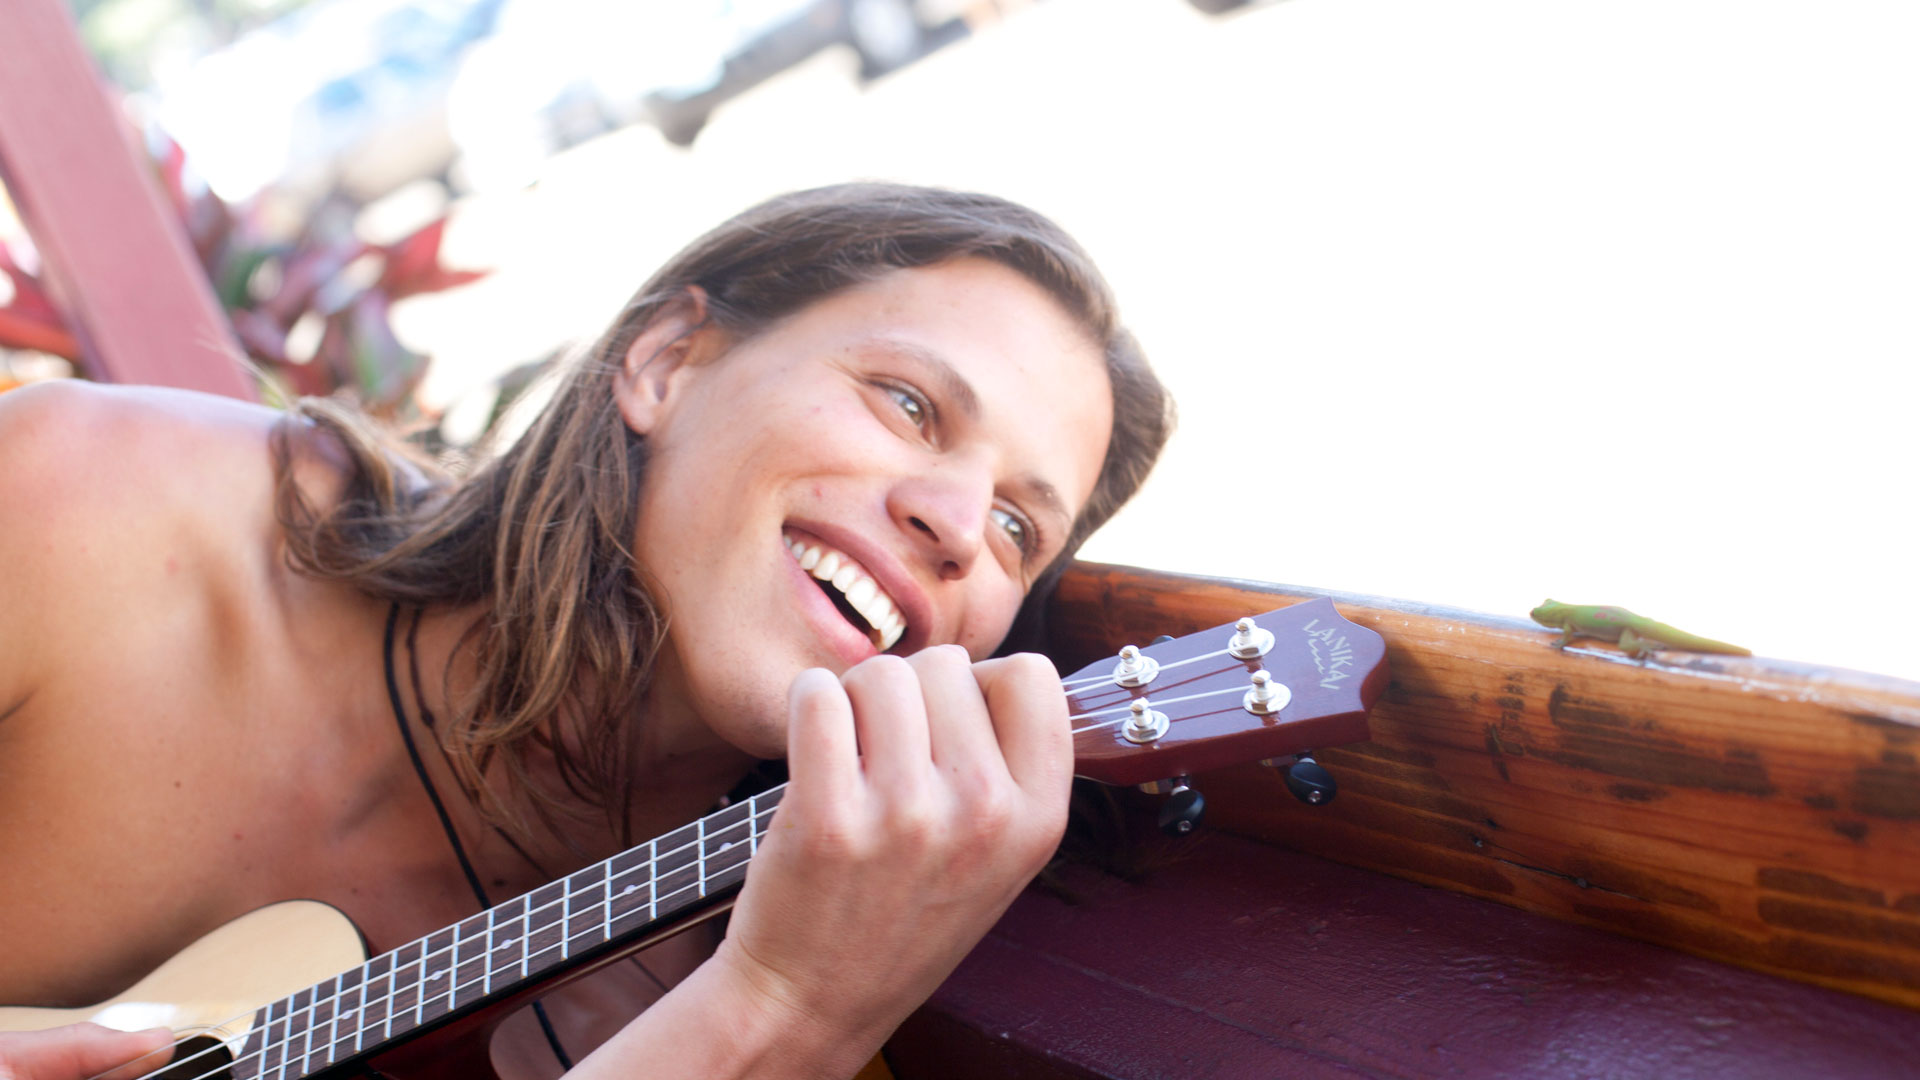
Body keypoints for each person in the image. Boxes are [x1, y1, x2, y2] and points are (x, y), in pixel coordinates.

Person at [0, 182, 1172, 1079]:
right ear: (666, 363)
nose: (960, 521)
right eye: (908, 402)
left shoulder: (720, 982)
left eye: (1022, 526)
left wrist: (781, 1018)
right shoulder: (98, 507)